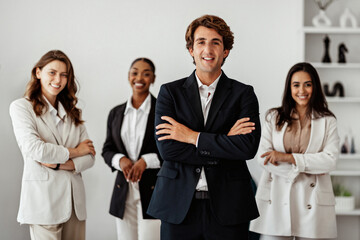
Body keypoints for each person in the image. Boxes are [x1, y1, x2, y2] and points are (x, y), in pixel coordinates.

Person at [147, 15, 261, 240]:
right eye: (201, 42)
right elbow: (168, 150)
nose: (207, 49)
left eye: (215, 42)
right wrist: (224, 142)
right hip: (177, 205)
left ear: (225, 50)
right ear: (191, 49)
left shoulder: (244, 94)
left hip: (230, 207)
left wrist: (191, 136)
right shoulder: (169, 93)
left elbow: (247, 148)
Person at [9, 50, 95, 240]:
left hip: (74, 204)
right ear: (38, 73)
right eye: (52, 72)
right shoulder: (21, 107)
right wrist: (76, 151)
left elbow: (89, 157)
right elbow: (35, 149)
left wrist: (60, 164)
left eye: (64, 75)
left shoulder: (74, 113)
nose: (58, 79)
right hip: (43, 203)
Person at [249, 62, 339, 240]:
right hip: (277, 198)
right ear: (289, 88)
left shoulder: (328, 120)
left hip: (312, 201)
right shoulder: (273, 117)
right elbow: (263, 158)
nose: (302, 90)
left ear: (315, 87)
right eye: (296, 85)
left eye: (308, 84)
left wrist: (288, 158)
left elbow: (330, 161)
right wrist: (307, 166)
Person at [102, 58, 162, 240]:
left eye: (146, 73)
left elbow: (172, 150)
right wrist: (120, 160)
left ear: (153, 79)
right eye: (135, 72)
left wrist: (146, 161)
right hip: (123, 192)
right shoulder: (116, 112)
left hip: (153, 191)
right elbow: (107, 149)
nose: (139, 77)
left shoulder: (163, 111)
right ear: (128, 76)